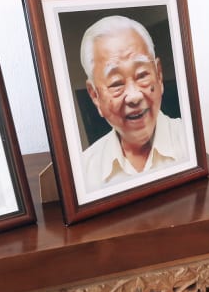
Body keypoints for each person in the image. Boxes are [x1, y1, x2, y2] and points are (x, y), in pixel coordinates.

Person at [78, 15, 188, 190]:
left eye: (142, 75)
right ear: (95, 96)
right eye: (116, 83)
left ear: (159, 75)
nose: (134, 96)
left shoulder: (191, 140)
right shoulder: (84, 172)